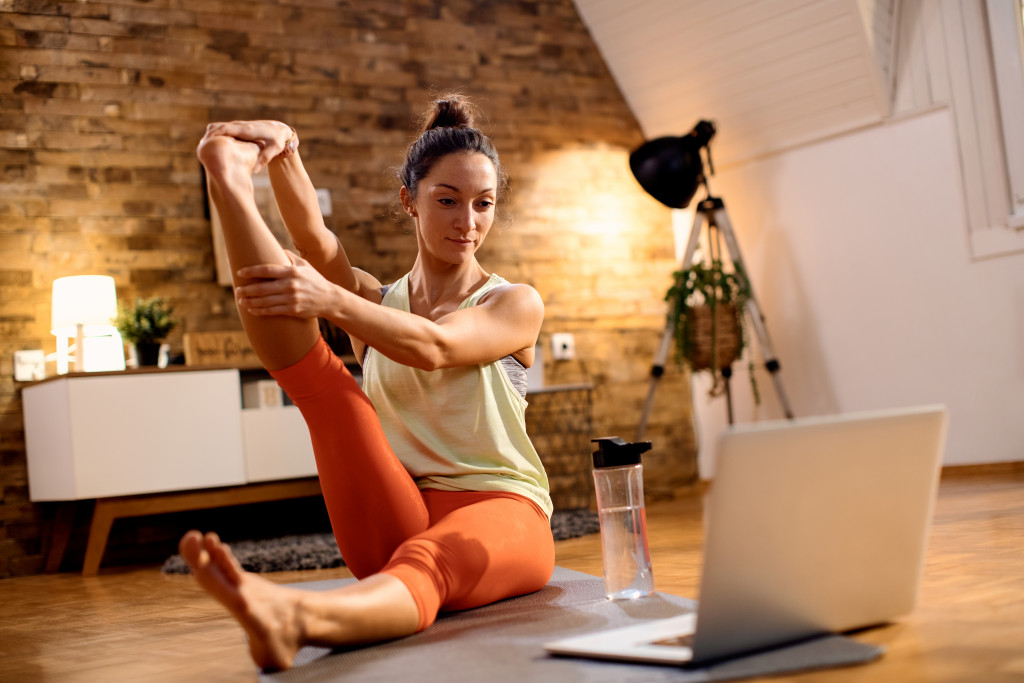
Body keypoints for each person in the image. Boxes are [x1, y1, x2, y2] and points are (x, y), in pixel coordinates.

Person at [182, 95, 554, 671]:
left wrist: (330, 298)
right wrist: (284, 152)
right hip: (394, 511)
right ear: (409, 200)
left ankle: (297, 618)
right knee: (328, 391)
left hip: (503, 508)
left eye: (483, 205)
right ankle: (228, 183)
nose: (468, 222)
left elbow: (437, 347)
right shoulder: (378, 302)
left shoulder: (513, 303)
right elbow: (314, 240)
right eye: (447, 201)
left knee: (431, 560)